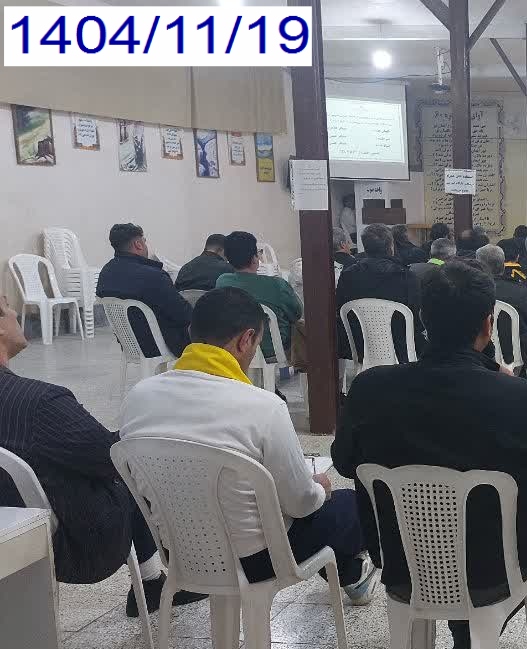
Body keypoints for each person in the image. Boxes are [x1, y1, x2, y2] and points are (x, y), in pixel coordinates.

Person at [332, 260, 527, 649]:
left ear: (423, 318)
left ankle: (464, 646)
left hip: (401, 557)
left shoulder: (369, 389)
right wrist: (506, 383)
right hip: (491, 565)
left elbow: (345, 463)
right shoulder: (518, 396)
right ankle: (472, 644)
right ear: (489, 324)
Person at [120, 288, 376, 604]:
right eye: (255, 345)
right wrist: (320, 489)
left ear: (191, 333)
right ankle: (351, 573)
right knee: (351, 505)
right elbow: (300, 504)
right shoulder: (263, 407)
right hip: (256, 561)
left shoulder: (138, 397)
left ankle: (351, 573)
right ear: (246, 339)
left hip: (180, 553)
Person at [0, 294, 206, 616]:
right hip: (70, 540)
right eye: (6, 306)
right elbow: (110, 458)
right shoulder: (39, 403)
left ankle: (153, 579)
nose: (14, 312)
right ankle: (172, 574)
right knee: (135, 462)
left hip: (10, 525)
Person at [97, 223, 193, 357]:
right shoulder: (154, 276)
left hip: (130, 345)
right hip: (163, 345)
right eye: (145, 241)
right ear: (138, 244)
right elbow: (184, 315)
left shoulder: (106, 272)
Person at [336, 224, 426, 365]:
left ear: (365, 247)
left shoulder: (348, 275)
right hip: (401, 350)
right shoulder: (407, 277)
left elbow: (340, 309)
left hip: (360, 349)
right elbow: (417, 320)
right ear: (391, 246)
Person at [215, 231, 303, 364]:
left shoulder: (222, 282)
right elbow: (297, 313)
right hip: (276, 354)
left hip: (236, 352)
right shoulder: (277, 285)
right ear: (254, 259)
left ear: (228, 259)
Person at [477, 245, 527, 381]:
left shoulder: (471, 291)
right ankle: (526, 382)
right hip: (516, 350)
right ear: (503, 266)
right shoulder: (518, 290)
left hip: (480, 350)